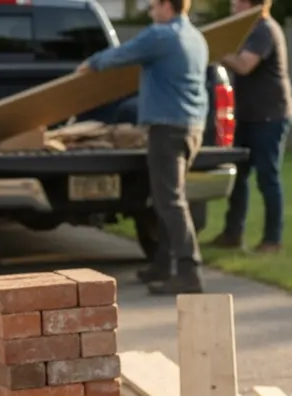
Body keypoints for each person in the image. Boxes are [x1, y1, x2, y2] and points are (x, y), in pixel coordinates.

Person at [77, 0, 209, 295]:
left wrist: (90, 64)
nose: (150, 11)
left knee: (171, 201)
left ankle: (190, 271)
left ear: (166, 6)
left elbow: (122, 55)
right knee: (165, 198)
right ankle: (162, 265)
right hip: (192, 127)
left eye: (152, 6)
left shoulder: (160, 35)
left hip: (167, 128)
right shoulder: (196, 37)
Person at [212, 0, 292, 253]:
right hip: (248, 115)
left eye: (237, 2)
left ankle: (273, 239)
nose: (232, 6)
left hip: (269, 116)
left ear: (251, 5)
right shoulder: (250, 30)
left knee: (268, 178)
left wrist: (215, 50)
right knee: (239, 177)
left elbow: (245, 65)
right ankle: (233, 234)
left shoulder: (263, 29)